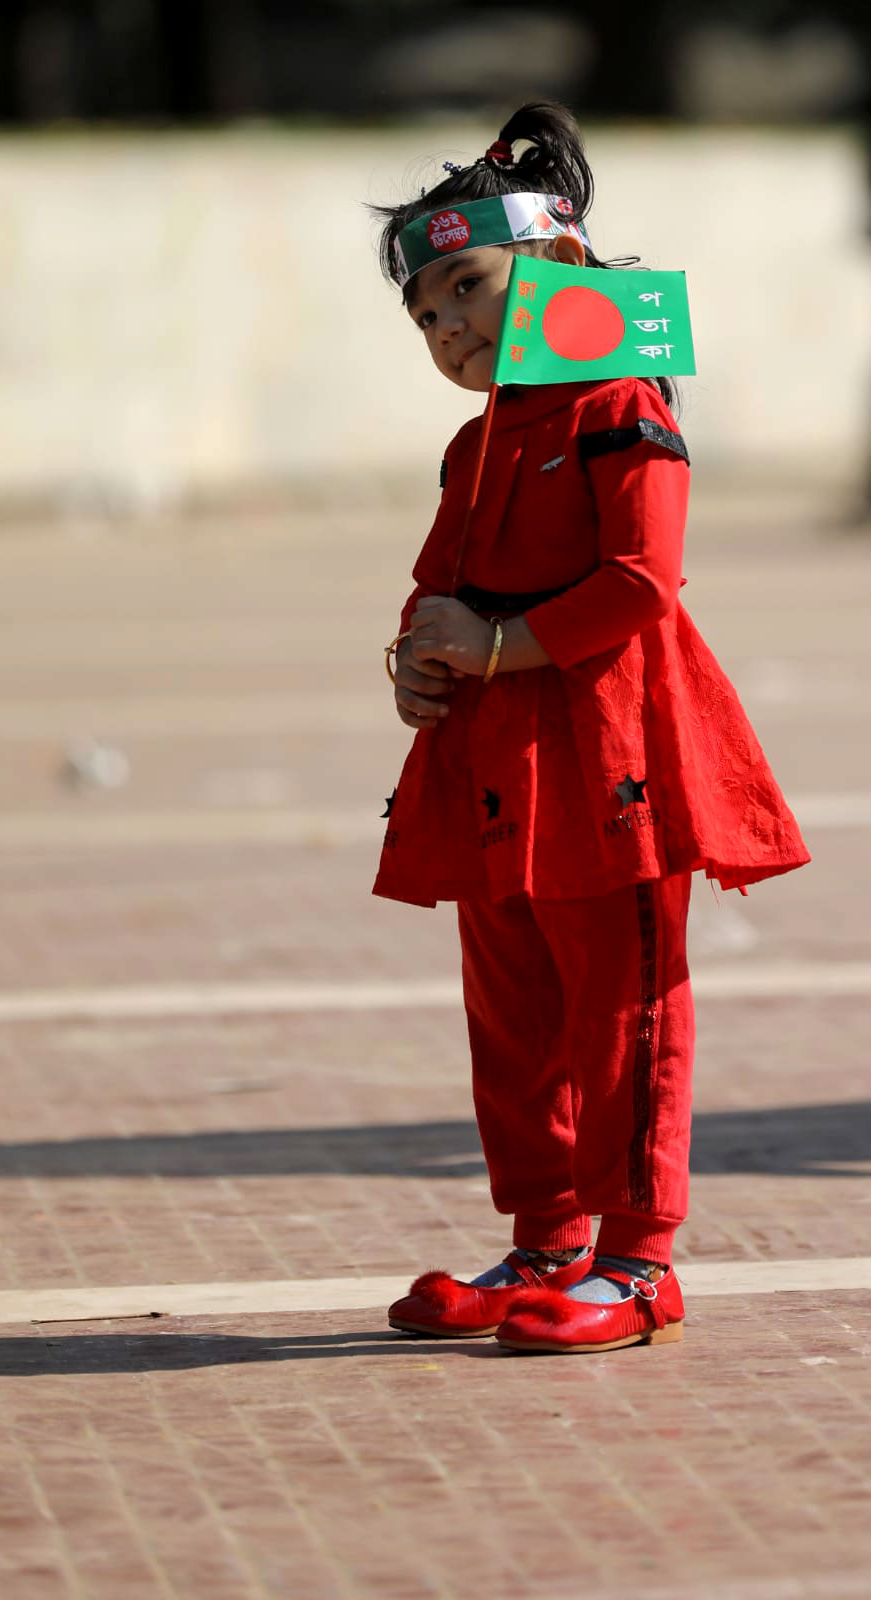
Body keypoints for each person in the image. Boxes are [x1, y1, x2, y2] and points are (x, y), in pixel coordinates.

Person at [371, 102, 809, 1353]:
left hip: (607, 758)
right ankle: (545, 1234)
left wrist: (503, 643)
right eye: (426, 316)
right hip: (492, 769)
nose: (449, 326)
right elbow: (436, 581)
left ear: (555, 266)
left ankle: (636, 1260)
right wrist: (420, 662)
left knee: (621, 1005)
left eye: (465, 285)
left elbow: (640, 581)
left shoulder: (617, 400)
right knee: (510, 1008)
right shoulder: (475, 446)